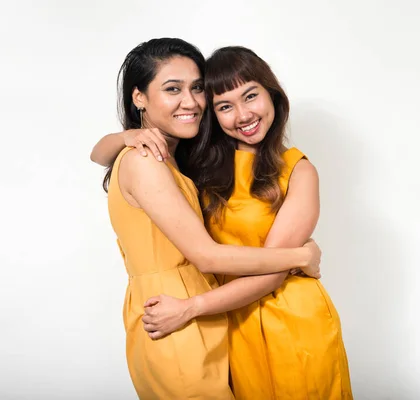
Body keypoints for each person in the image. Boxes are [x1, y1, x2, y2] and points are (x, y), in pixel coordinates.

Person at [93, 45, 353, 399]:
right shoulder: (184, 161)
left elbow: (266, 272)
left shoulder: (295, 169)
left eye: (196, 89)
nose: (242, 114)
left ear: (272, 95)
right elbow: (208, 256)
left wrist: (193, 307)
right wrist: (300, 257)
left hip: (283, 319)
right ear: (139, 97)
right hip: (208, 316)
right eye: (225, 105)